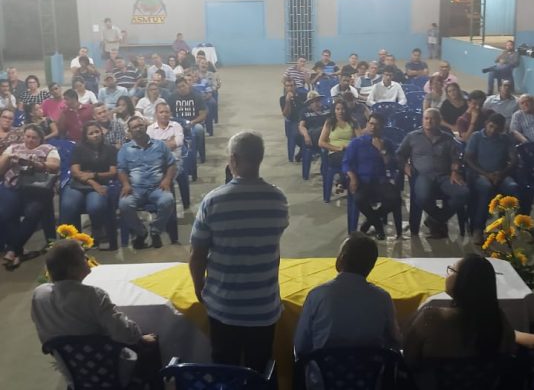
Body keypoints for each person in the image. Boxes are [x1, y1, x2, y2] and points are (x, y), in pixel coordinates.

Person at [189, 131, 289, 372]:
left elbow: (197, 254)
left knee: (226, 369)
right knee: (260, 369)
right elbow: (272, 244)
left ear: (233, 159)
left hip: (224, 306)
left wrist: (198, 286)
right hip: (264, 307)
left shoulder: (214, 201)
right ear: (260, 158)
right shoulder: (278, 199)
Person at [31, 239, 163, 389]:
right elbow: (124, 332)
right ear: (72, 269)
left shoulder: (39, 294)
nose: (87, 259)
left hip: (72, 370)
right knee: (150, 344)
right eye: (83, 256)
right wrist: (140, 337)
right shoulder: (93, 296)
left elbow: (43, 335)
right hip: (108, 368)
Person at [294, 234, 400, 357]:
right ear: (372, 265)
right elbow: (395, 340)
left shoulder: (317, 295)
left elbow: (300, 346)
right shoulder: (383, 298)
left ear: (342, 258)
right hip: (371, 369)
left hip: (324, 369)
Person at [403, 254, 515, 368]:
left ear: (463, 280)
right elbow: (508, 355)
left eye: (451, 270)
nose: (446, 275)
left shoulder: (431, 319)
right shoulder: (499, 320)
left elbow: (409, 359)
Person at [396, 108, 469, 238]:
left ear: (439, 121)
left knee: (464, 192)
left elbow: (456, 158)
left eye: (433, 119)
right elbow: (399, 155)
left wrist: (455, 171)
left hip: (444, 176)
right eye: (426, 118)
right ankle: (439, 220)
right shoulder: (412, 137)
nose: (429, 121)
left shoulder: (447, 138)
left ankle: (434, 220)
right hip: (422, 176)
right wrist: (405, 165)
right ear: (422, 120)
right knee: (422, 198)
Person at [0, 124, 60, 269]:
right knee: (7, 213)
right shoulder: (13, 148)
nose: (30, 140)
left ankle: (13, 250)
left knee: (33, 212)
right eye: (27, 136)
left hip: (36, 189)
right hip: (13, 186)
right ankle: (17, 251)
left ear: (40, 138)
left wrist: (36, 164)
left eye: (34, 138)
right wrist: (7, 157)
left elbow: (55, 166)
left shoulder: (49, 149)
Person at [118, 116, 176, 249]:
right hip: (135, 189)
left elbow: (171, 164)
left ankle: (155, 231)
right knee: (124, 204)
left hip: (157, 187)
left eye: (140, 125)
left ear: (145, 127)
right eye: (134, 127)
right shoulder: (125, 149)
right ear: (130, 131)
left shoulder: (160, 145)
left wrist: (167, 180)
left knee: (168, 200)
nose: (138, 129)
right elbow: (121, 170)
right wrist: (126, 184)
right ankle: (141, 232)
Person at [59, 121, 118, 249]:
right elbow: (75, 171)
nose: (95, 135)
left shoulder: (110, 149)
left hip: (101, 183)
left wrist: (94, 175)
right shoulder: (79, 148)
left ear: (101, 132)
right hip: (79, 183)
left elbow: (113, 172)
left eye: (97, 132)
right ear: (86, 137)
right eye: (91, 133)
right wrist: (93, 182)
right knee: (68, 206)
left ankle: (98, 232)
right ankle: (72, 240)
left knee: (95, 207)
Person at [343, 113, 402, 239]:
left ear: (382, 127)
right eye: (371, 124)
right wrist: (352, 177)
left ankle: (370, 221)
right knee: (359, 199)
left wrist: (381, 150)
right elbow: (346, 163)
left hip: (380, 181)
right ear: (367, 124)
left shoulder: (387, 144)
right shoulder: (356, 143)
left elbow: (392, 165)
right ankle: (379, 226)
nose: (373, 127)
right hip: (362, 180)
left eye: (377, 125)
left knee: (395, 199)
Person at [465, 113, 519, 244]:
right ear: (486, 124)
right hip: (480, 174)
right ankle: (478, 229)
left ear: (502, 128)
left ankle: (504, 226)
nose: (493, 130)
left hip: (501, 174)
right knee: (486, 188)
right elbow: (468, 158)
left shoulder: (506, 139)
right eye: (491, 126)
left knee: (513, 187)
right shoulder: (476, 137)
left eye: (497, 128)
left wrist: (502, 173)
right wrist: (486, 174)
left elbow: (514, 159)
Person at [169, 77, 207, 162]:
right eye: (179, 87)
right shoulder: (172, 97)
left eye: (183, 86)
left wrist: (193, 122)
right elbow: (169, 114)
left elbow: (203, 115)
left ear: (188, 85)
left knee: (199, 130)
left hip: (194, 123)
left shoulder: (197, 96)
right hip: (177, 124)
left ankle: (200, 154)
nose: (182, 88)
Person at [318, 99, 358, 170]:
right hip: (335, 153)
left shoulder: (353, 121)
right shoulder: (329, 122)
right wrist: (338, 148)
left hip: (351, 150)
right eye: (338, 109)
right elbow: (321, 142)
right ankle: (349, 175)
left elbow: (360, 139)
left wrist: (352, 147)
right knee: (348, 159)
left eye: (343, 109)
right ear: (334, 110)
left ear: (346, 110)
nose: (340, 111)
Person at [147, 102, 184, 175]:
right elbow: (149, 148)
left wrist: (157, 145)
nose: (164, 114)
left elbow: (177, 143)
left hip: (175, 161)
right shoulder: (150, 129)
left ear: (170, 114)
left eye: (167, 112)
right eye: (161, 112)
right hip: (156, 161)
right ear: (156, 114)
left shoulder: (176, 126)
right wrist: (169, 141)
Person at [280, 78, 305, 162]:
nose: (289, 88)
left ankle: (302, 153)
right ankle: (293, 156)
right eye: (287, 86)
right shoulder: (282, 99)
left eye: (291, 86)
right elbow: (286, 114)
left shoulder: (302, 96)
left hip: (304, 119)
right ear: (285, 87)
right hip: (292, 121)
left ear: (295, 86)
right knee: (295, 134)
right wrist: (288, 102)